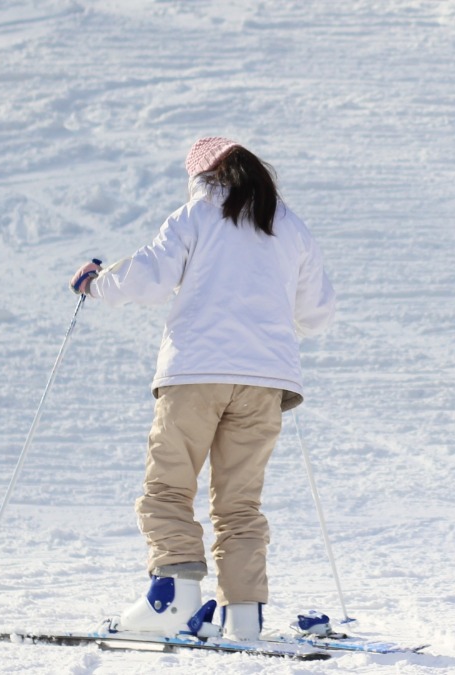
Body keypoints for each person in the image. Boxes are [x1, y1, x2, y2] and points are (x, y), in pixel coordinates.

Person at [69, 137, 336, 640]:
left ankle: (171, 600)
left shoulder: (194, 215)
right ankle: (244, 618)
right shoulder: (289, 226)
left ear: (202, 177)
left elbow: (148, 277)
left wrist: (97, 282)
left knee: (168, 485)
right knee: (240, 504)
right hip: (265, 383)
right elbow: (316, 313)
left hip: (195, 374)